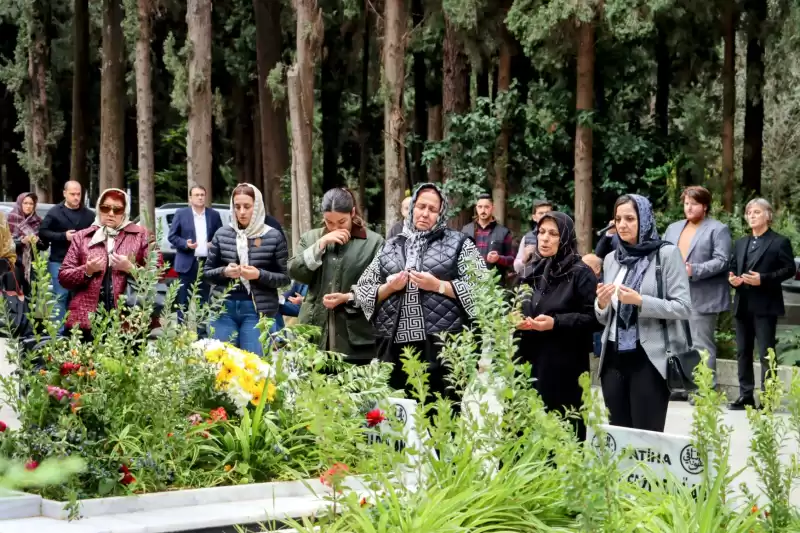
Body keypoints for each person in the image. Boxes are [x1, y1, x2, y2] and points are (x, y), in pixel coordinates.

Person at [356, 183, 486, 400]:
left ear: (441, 213)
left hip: (443, 344)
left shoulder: (459, 244)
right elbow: (364, 291)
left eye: (433, 209)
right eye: (421, 206)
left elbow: (484, 291)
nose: (425, 213)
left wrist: (439, 286)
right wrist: (390, 287)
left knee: (442, 417)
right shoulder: (390, 247)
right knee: (400, 419)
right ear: (412, 207)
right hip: (394, 346)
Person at [595, 194, 691, 432]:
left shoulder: (666, 255)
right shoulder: (611, 259)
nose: (622, 224)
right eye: (618, 219)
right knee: (619, 435)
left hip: (650, 358)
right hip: (613, 357)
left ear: (645, 221)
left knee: (647, 437)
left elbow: (683, 306)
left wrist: (640, 301)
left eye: (630, 218)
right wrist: (602, 304)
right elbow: (603, 316)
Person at [515, 212, 597, 440]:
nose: (545, 239)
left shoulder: (581, 273)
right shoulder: (533, 269)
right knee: (523, 426)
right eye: (541, 232)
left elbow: (594, 319)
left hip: (563, 366)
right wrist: (515, 317)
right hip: (529, 359)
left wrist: (556, 323)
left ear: (566, 237)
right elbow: (517, 303)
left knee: (560, 428)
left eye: (553, 233)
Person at [289, 188, 384, 362]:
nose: (335, 228)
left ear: (352, 212)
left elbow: (380, 287)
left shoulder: (374, 243)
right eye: (329, 222)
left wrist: (349, 297)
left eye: (342, 222)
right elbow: (296, 272)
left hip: (356, 338)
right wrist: (320, 244)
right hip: (312, 333)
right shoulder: (310, 238)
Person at [203, 183, 289, 356]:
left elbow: (284, 278)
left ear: (256, 207)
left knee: (253, 367)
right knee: (222, 366)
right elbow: (207, 273)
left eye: (247, 207)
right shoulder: (222, 233)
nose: (241, 212)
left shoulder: (273, 235)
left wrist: (259, 274)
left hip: (257, 311)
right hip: (224, 309)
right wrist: (225, 272)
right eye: (237, 206)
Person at [58, 189, 158, 338]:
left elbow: (157, 272)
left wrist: (131, 268)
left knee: (124, 360)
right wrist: (87, 270)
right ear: (99, 209)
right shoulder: (82, 237)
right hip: (86, 318)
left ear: (125, 211)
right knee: (85, 361)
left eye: (117, 209)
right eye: (105, 208)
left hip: (129, 318)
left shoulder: (141, 235)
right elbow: (64, 277)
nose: (111, 213)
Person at [728, 198, 796, 410]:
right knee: (743, 352)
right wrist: (732, 278)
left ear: (768, 215)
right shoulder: (740, 242)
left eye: (756, 212)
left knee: (767, 352)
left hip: (765, 305)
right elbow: (732, 267)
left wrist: (763, 279)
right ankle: (745, 396)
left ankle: (768, 399)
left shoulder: (779, 241)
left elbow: (789, 269)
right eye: (749, 213)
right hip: (742, 303)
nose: (751, 216)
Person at [663, 186, 731, 392]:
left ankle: (704, 392)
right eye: (686, 203)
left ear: (705, 206)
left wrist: (694, 270)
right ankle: (681, 388)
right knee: (677, 343)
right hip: (674, 294)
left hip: (703, 296)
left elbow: (723, 260)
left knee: (701, 346)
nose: (689, 207)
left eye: (694, 204)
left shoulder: (718, 229)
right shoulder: (674, 228)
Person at [39, 181, 95, 324]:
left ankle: (75, 330)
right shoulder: (54, 212)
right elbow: (43, 232)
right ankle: (59, 333)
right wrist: (63, 236)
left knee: (78, 297)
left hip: (81, 263)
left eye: (78, 194)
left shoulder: (89, 215)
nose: (76, 197)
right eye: (72, 194)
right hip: (59, 260)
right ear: (65, 194)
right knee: (60, 296)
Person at [167, 185, 223, 313]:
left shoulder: (214, 215)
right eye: (197, 195)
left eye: (202, 195)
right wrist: (185, 244)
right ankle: (182, 331)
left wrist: (213, 243)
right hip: (187, 263)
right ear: (190, 198)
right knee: (183, 301)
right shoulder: (181, 214)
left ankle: (201, 333)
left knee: (203, 302)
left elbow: (220, 236)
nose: (200, 198)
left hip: (206, 263)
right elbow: (172, 236)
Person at [462, 193, 514, 283]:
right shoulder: (466, 230)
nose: (483, 210)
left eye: (487, 207)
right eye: (480, 207)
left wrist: (499, 258)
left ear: (492, 208)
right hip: (470, 282)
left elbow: (511, 260)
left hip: (494, 284)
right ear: (476, 208)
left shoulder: (503, 232)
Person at [8, 192, 45, 293]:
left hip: (31, 264)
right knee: (13, 297)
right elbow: (5, 244)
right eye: (25, 203)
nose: (28, 206)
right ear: (20, 203)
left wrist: (37, 242)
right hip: (13, 264)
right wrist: (21, 241)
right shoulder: (10, 219)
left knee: (31, 297)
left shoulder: (38, 221)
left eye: (31, 204)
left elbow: (44, 246)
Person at [513, 199, 553, 277]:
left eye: (548, 213)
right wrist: (524, 259)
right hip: (532, 283)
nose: (545, 216)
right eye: (541, 213)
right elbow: (516, 268)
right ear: (534, 217)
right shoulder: (527, 237)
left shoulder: (561, 235)